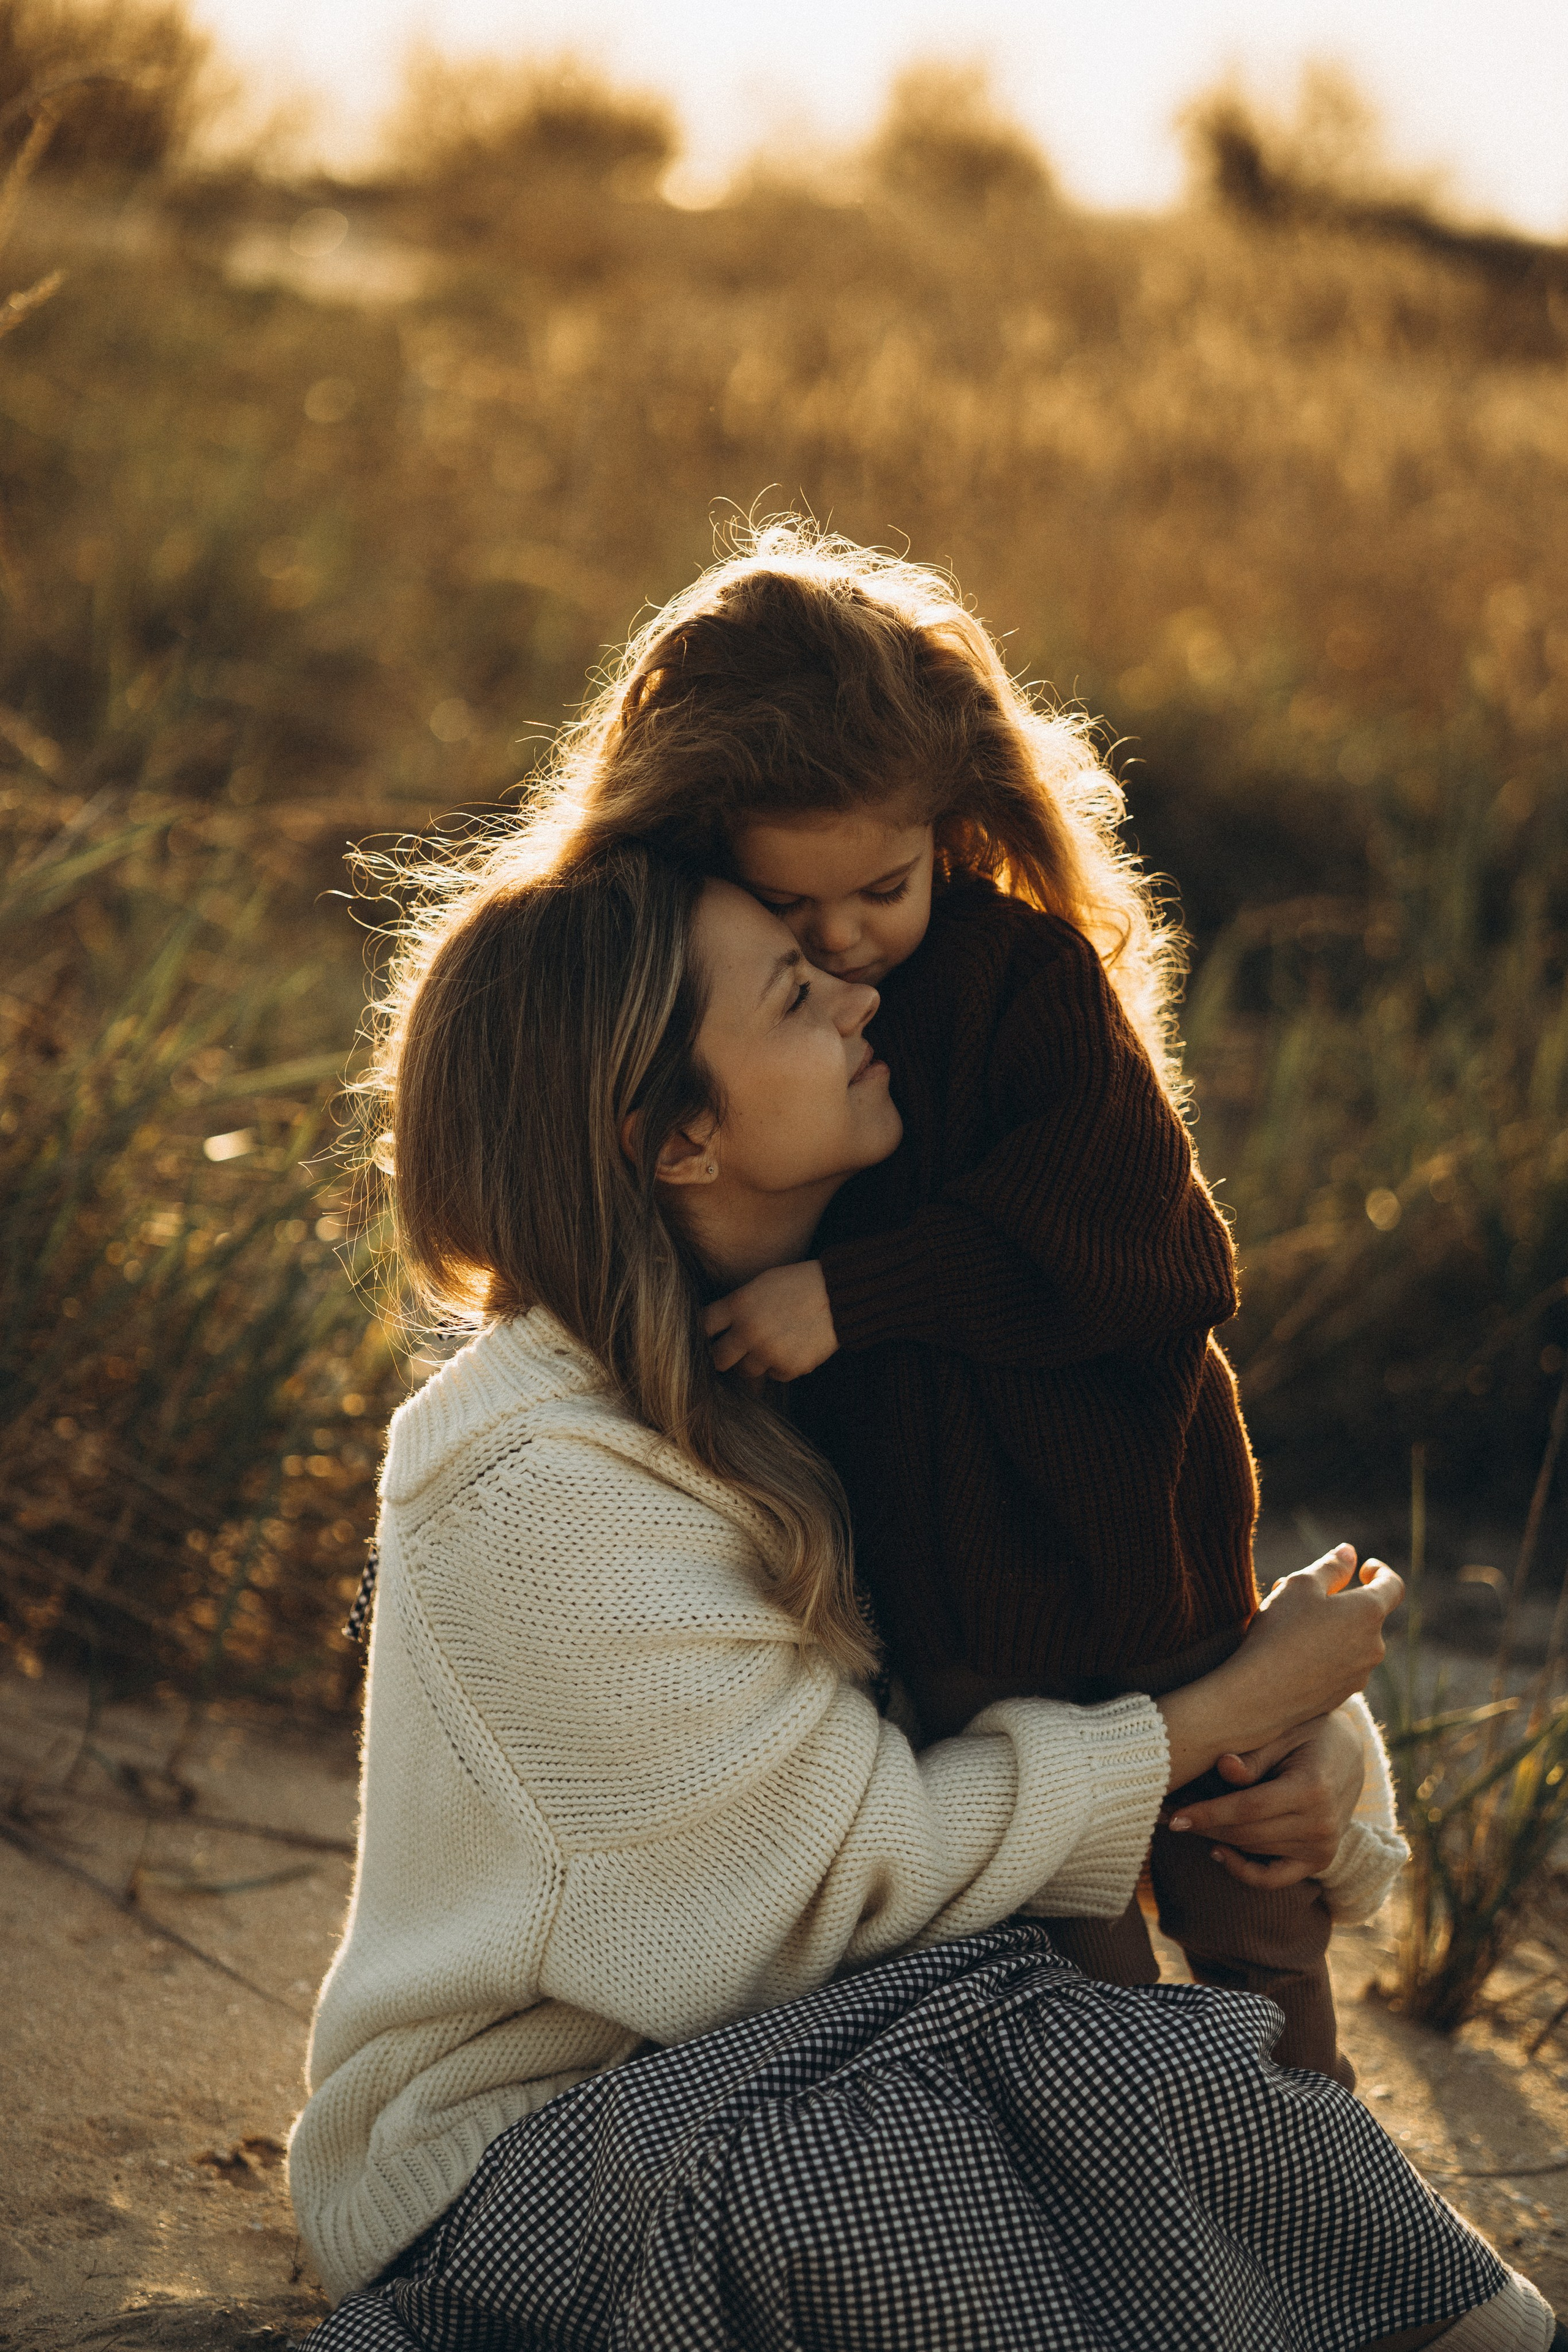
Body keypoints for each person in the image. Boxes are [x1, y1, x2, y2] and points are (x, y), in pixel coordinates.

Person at [290, 840, 1549, 2351]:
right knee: (931, 2127)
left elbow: (1064, 1650)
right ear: (679, 1137)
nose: (855, 1000)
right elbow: (835, 1887)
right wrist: (1214, 1715)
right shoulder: (533, 1482)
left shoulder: (846, 1366)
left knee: (1100, 2059)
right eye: (790, 991)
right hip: (521, 2148)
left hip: (825, 2047)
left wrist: (1306, 1767)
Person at [518, 519, 1360, 2085]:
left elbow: (1150, 1248)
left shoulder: (1023, 989)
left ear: (953, 822)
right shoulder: (724, 1022)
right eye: (794, 913)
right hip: (961, 1626)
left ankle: (1334, 2220)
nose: (846, 950)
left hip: (1137, 1566)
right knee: (1073, 1978)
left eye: (882, 891)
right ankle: (1158, 2222)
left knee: (1255, 1924)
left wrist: (857, 1288)